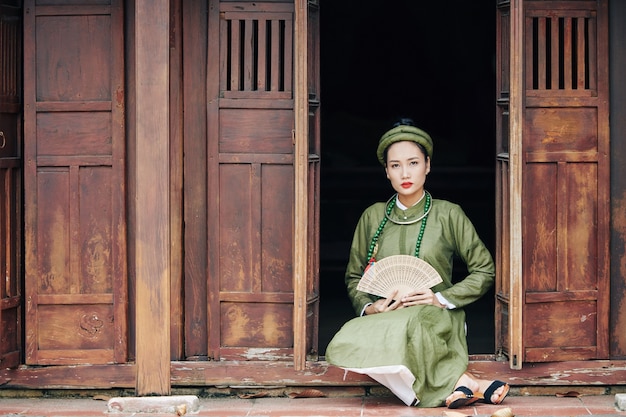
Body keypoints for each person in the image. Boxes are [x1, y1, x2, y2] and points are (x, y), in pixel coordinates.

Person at [325, 118, 510, 408]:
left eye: (413, 163)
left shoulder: (448, 214)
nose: (405, 173)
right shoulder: (373, 216)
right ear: (386, 171)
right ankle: (466, 382)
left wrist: (441, 298)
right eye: (395, 165)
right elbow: (353, 276)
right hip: (387, 317)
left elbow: (484, 269)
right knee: (345, 339)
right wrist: (369, 306)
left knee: (415, 325)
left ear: (427, 165)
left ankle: (457, 384)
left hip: (434, 316)